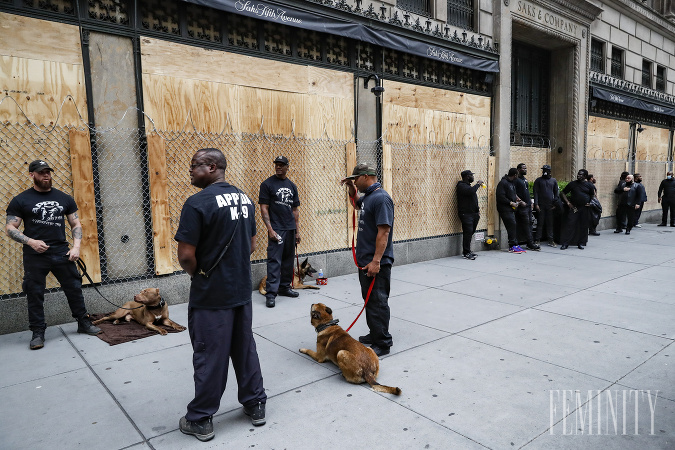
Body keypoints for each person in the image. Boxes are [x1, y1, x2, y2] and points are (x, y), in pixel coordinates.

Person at [175, 148, 266, 442]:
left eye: (194, 165)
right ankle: (255, 404)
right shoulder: (245, 198)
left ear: (212, 167)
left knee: (209, 354)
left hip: (211, 294)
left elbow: (186, 255)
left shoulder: (196, 203)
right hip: (241, 290)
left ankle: (200, 419)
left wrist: (199, 274)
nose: (189, 170)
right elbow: (251, 245)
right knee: (244, 348)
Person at [5, 159, 101, 350]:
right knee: (34, 293)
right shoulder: (21, 200)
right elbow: (10, 227)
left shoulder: (64, 198)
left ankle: (83, 323)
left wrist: (76, 248)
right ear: (32, 175)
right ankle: (38, 333)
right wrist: (30, 241)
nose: (46, 175)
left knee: (74, 288)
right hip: (35, 254)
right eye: (41, 172)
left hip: (61, 251)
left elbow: (76, 224)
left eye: (48, 171)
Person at [341, 163, 394, 357]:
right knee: (370, 301)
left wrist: (376, 261)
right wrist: (350, 188)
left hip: (376, 263)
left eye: (356, 178)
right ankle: (374, 333)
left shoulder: (381, 199)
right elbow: (356, 204)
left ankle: (383, 343)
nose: (355, 181)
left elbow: (384, 231)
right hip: (366, 261)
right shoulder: (370, 197)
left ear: (365, 177)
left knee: (378, 302)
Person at [259, 155, 301, 308]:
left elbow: (295, 210)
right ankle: (271, 294)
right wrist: (270, 229)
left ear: (287, 167)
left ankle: (284, 287)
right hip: (276, 229)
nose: (278, 167)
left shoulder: (292, 186)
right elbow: (264, 208)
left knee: (288, 261)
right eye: (276, 164)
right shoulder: (267, 184)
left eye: (282, 165)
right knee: (274, 261)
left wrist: (297, 231)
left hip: (290, 228)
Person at [559, 169, 595, 249]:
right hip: (574, 207)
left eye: (581, 174)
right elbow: (562, 193)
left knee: (583, 225)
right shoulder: (572, 184)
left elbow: (593, 196)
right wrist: (568, 203)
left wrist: (591, 203)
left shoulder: (589, 185)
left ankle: (581, 243)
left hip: (585, 208)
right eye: (578, 174)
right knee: (570, 224)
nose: (578, 175)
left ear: (585, 176)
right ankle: (565, 243)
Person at [456, 170, 484, 260]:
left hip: (474, 214)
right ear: (467, 176)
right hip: (466, 214)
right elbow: (471, 192)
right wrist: (478, 184)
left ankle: (468, 250)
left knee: (470, 232)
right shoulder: (461, 186)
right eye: (472, 175)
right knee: (467, 233)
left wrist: (477, 211)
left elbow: (472, 199)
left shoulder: (468, 186)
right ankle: (466, 252)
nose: (473, 177)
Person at [496, 168, 524, 253]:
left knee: (513, 225)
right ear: (515, 175)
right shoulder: (503, 183)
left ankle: (515, 244)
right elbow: (500, 196)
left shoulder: (511, 183)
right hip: (504, 208)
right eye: (517, 174)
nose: (518, 176)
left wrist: (517, 198)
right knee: (511, 225)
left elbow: (512, 192)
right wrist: (511, 203)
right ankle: (512, 246)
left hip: (510, 209)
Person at [515, 163, 540, 250]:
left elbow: (527, 192)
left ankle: (530, 242)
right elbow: (513, 193)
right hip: (522, 207)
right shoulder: (516, 180)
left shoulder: (524, 179)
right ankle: (530, 243)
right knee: (526, 224)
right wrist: (520, 201)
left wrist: (531, 202)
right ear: (518, 169)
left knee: (529, 224)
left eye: (526, 168)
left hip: (528, 206)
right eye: (523, 168)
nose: (525, 170)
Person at [533, 164, 559, 246]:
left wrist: (555, 203)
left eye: (546, 170)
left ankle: (550, 240)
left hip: (550, 205)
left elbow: (556, 193)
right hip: (541, 205)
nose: (544, 172)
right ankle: (537, 239)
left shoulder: (553, 181)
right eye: (543, 170)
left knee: (550, 223)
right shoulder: (538, 180)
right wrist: (536, 204)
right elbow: (535, 193)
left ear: (550, 171)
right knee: (540, 223)